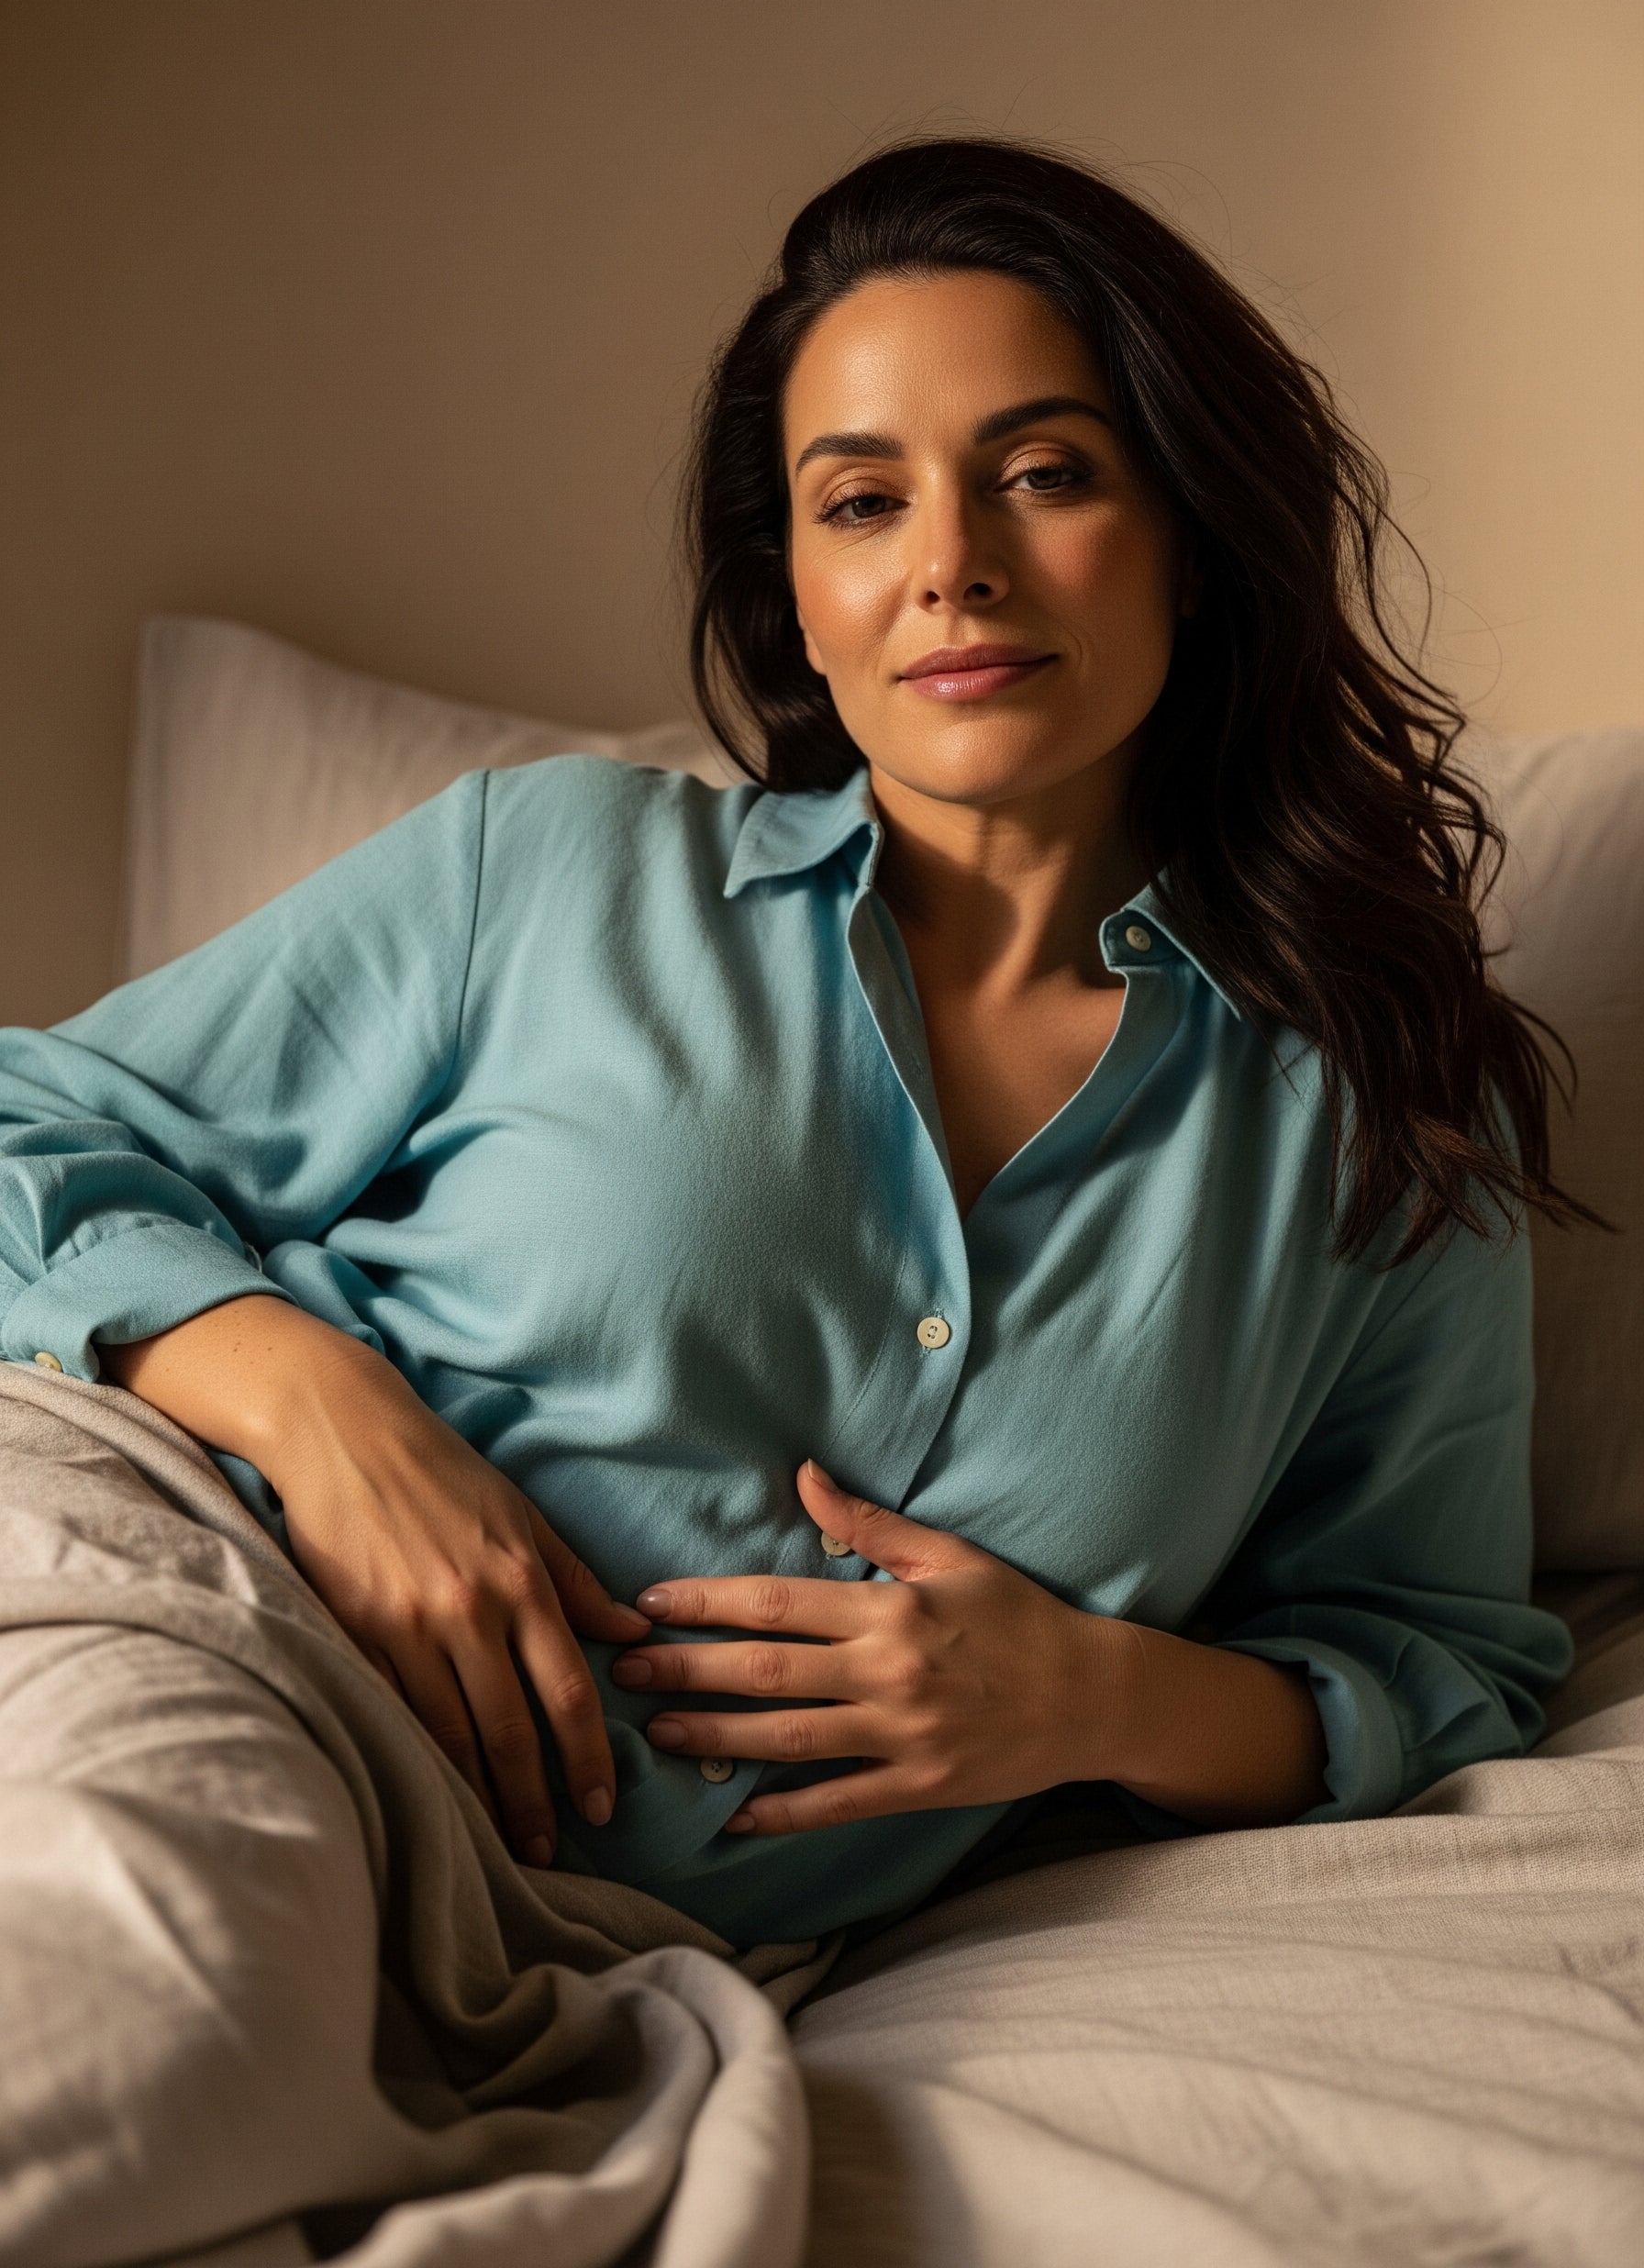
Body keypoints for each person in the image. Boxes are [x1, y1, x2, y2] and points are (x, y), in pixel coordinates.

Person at [0, 139, 1581, 1950]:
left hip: (594, 1956)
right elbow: (23, 1120)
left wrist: (1094, 1698)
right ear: (801, 598)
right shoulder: (552, 869)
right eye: (861, 502)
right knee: (137, 1992)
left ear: (1194, 538)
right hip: (215, 1628)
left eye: (1044, 474)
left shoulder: (1379, 1107)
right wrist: (317, 1403)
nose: (951, 567)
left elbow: (1438, 1659)